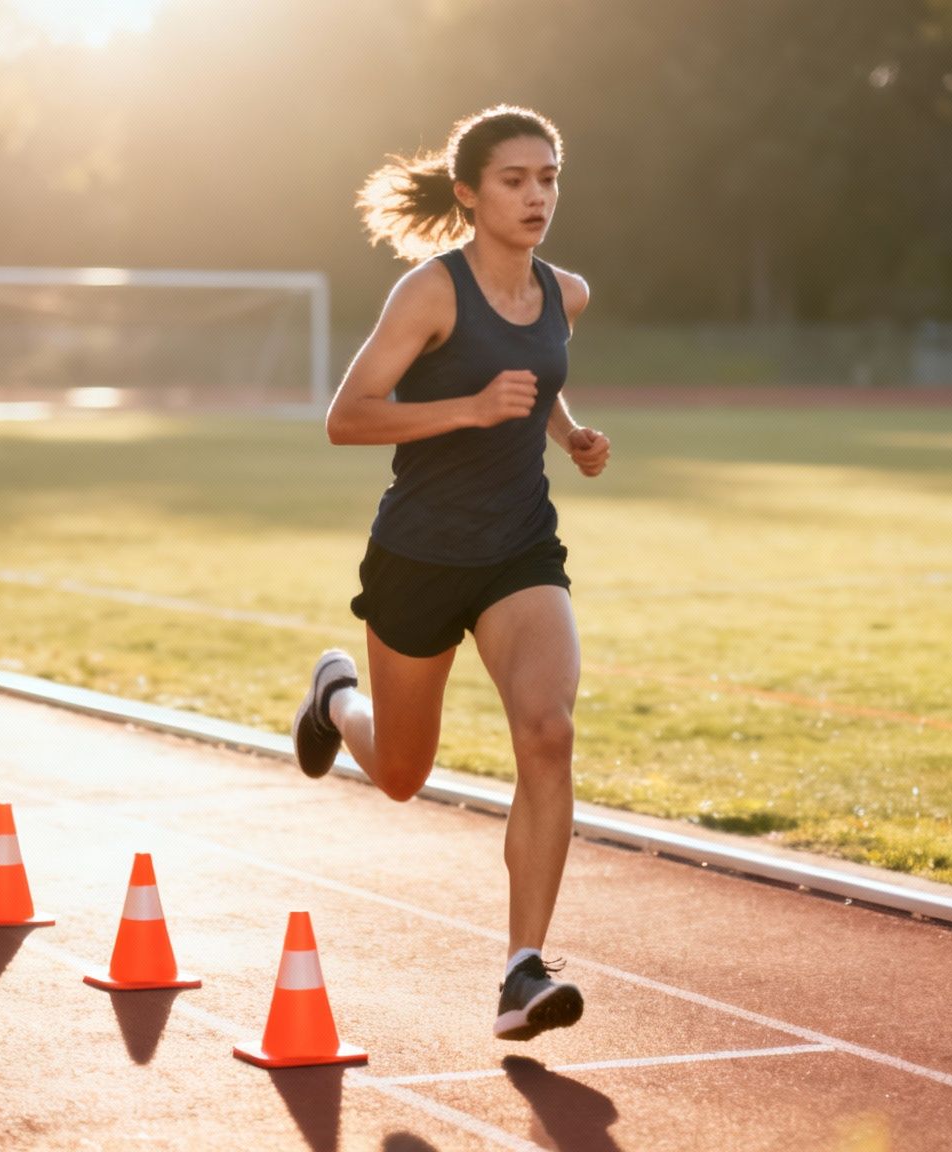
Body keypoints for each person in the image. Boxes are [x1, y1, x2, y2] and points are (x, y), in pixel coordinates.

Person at [289, 105, 611, 1039]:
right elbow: (348, 417)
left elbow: (536, 377)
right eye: (515, 180)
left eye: (548, 178)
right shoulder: (430, 293)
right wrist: (469, 409)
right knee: (399, 771)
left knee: (547, 731)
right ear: (469, 193)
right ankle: (334, 699)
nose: (537, 196)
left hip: (519, 549)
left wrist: (568, 433)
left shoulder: (567, 293)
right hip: (420, 554)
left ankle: (521, 971)